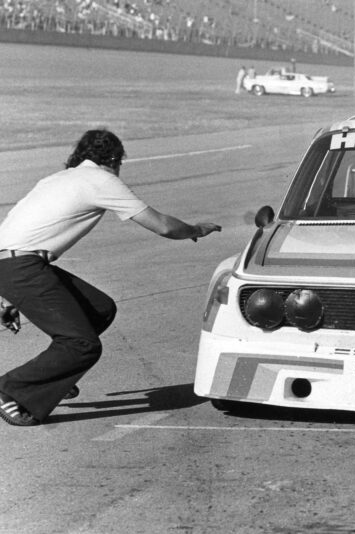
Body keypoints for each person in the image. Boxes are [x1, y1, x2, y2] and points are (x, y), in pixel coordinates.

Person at [0, 129, 221, 426]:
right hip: (22, 267)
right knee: (82, 345)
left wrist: (10, 295)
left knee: (99, 308)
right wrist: (196, 229)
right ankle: (10, 389)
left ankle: (54, 375)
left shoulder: (56, 178)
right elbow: (162, 226)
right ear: (114, 158)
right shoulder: (101, 180)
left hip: (17, 265)